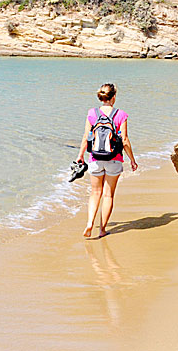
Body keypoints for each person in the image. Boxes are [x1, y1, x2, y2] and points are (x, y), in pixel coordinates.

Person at [76, 83, 137, 238]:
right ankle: (102, 229)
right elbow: (124, 140)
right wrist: (132, 160)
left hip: (95, 158)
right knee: (108, 195)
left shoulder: (92, 113)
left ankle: (90, 223)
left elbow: (85, 137)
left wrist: (80, 155)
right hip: (114, 159)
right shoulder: (121, 114)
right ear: (114, 97)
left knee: (95, 192)